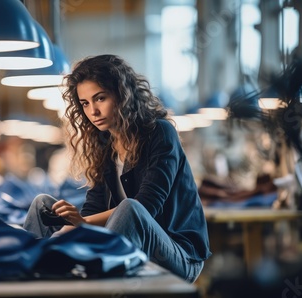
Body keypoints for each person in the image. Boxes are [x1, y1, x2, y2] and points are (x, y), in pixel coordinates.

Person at [23, 54, 211, 283]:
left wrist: (82, 224)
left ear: (123, 96)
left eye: (100, 98)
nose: (92, 111)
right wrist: (64, 230)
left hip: (178, 255)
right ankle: (29, 273)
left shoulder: (160, 133)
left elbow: (146, 208)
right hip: (125, 245)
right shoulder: (104, 142)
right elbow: (94, 208)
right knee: (43, 205)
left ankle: (85, 275)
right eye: (85, 103)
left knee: (130, 208)